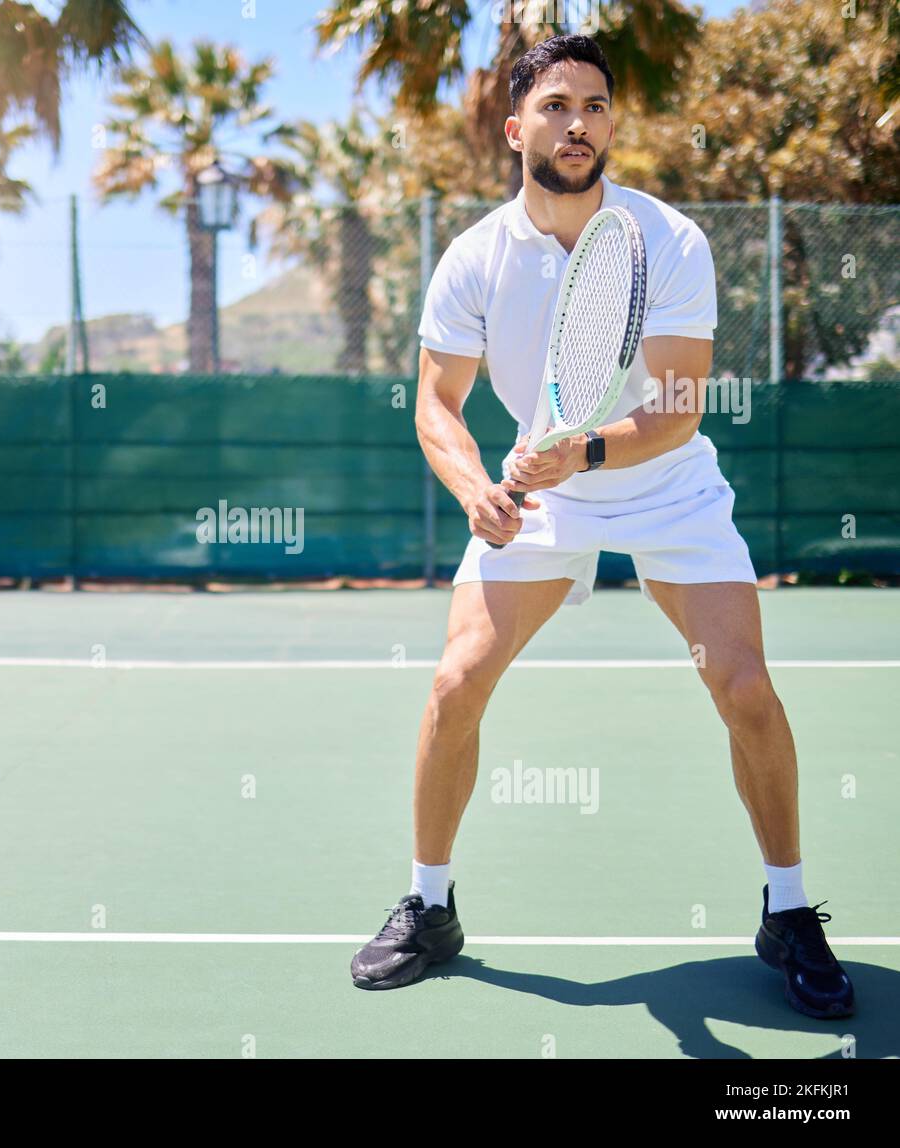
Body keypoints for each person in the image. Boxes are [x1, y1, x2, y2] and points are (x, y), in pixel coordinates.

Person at [350, 34, 854, 1021]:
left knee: (743, 687)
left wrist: (573, 452)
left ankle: (787, 910)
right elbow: (434, 405)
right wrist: (475, 490)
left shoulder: (665, 240)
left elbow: (673, 408)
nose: (576, 122)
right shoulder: (474, 257)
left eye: (593, 105)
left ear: (611, 125)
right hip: (542, 501)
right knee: (454, 682)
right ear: (514, 127)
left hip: (664, 487)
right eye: (553, 105)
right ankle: (430, 902)